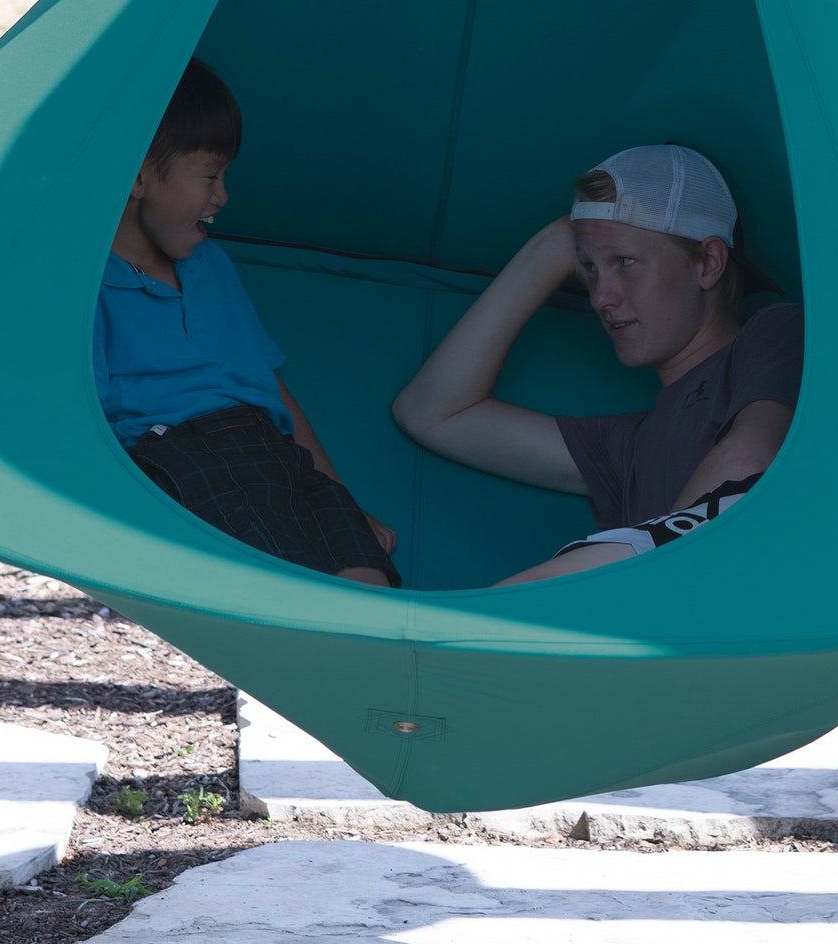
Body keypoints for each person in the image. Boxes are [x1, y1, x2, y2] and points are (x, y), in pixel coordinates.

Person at [391, 144, 801, 584]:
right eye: (588, 268)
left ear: (708, 264)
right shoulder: (627, 448)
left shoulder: (776, 331)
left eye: (624, 262)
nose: (600, 297)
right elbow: (432, 413)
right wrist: (552, 246)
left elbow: (746, 460)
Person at [96, 59, 398, 586]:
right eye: (211, 176)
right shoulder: (90, 287)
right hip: (182, 459)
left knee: (370, 584)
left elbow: (269, 389)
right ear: (140, 176)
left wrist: (341, 498)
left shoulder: (210, 264)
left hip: (274, 455)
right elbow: (88, 425)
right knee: (301, 599)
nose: (223, 196)